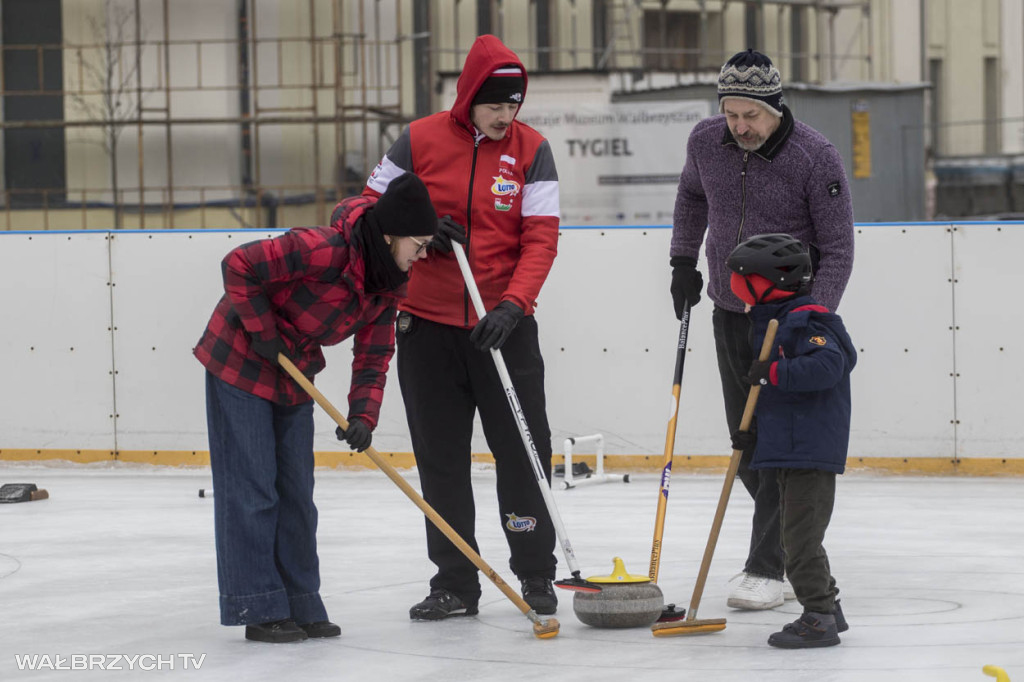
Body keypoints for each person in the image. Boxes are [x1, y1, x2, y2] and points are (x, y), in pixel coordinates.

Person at [194, 172, 444, 643]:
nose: (423, 255)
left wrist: (363, 416)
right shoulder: (324, 249)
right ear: (390, 236)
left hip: (293, 371)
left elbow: (374, 353)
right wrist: (263, 332)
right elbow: (238, 264)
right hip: (241, 359)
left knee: (297, 494)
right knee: (253, 490)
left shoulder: (389, 284)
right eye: (419, 244)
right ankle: (258, 606)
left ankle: (300, 602)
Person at [363, 34, 562, 621]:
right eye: (494, 105)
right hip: (426, 325)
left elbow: (542, 239)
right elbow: (365, 210)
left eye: (513, 106)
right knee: (441, 459)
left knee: (523, 452)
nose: (505, 116)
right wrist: (420, 225)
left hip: (503, 327)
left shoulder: (533, 150)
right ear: (469, 97)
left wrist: (514, 306)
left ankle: (535, 570)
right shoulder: (417, 139)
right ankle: (454, 581)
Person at [670, 48, 855, 610]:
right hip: (730, 311)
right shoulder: (705, 142)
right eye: (730, 113)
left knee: (780, 447)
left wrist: (811, 317)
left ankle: (768, 566)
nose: (739, 126)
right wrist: (682, 260)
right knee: (747, 440)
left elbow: (839, 248)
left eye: (750, 115)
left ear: (775, 107)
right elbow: (691, 197)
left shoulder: (815, 156)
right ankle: (790, 546)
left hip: (788, 322)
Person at [725, 233, 857, 648]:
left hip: (809, 452)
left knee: (800, 540)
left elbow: (829, 366)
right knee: (794, 535)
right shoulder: (773, 321)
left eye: (741, 276)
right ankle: (828, 606)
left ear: (768, 281)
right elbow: (779, 400)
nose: (733, 284)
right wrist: (750, 433)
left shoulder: (805, 322)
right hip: (789, 447)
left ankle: (818, 617)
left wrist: (772, 374)